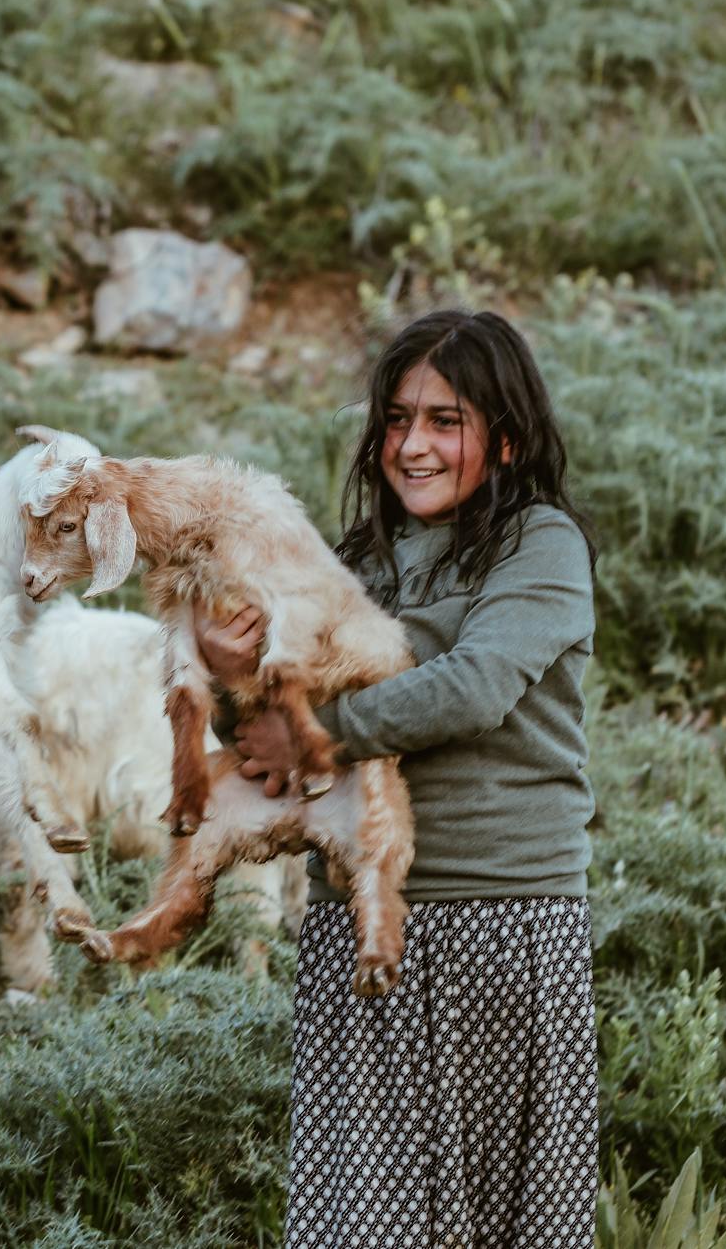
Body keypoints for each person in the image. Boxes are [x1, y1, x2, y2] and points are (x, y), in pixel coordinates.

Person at [199, 308, 600, 1245]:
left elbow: (473, 688)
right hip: (360, 923)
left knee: (504, 1217)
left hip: (501, 919)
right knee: (365, 1219)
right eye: (396, 419)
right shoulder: (356, 561)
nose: (411, 445)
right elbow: (262, 722)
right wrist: (226, 677)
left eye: (444, 421)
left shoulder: (539, 544)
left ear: (503, 436)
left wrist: (315, 738)